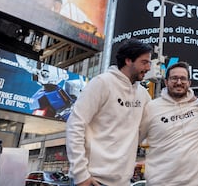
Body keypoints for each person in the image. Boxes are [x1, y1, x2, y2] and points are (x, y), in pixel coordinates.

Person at [66, 38, 153, 186]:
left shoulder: (143, 95)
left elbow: (148, 130)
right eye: (144, 62)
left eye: (149, 63)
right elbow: (75, 125)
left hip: (123, 182)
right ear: (128, 61)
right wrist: (81, 174)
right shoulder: (102, 83)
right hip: (92, 179)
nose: (149, 68)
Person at [140, 61, 198, 186]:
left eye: (183, 78)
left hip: (197, 182)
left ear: (189, 83)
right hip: (159, 182)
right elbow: (133, 139)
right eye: (174, 78)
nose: (179, 82)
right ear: (166, 82)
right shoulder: (151, 107)